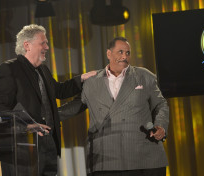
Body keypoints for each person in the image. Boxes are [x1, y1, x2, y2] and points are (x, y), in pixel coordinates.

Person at [0, 24, 96, 176]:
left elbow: (59, 90)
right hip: (20, 149)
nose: (47, 47)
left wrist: (82, 79)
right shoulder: (10, 69)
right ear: (27, 45)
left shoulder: (43, 70)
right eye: (43, 43)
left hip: (47, 145)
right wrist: (27, 126)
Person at [59, 37, 169, 176]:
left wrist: (161, 126)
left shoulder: (144, 76)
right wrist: (44, 118)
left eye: (128, 53)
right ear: (109, 54)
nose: (124, 56)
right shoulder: (92, 82)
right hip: (106, 160)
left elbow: (160, 104)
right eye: (120, 52)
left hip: (144, 157)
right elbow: (73, 108)